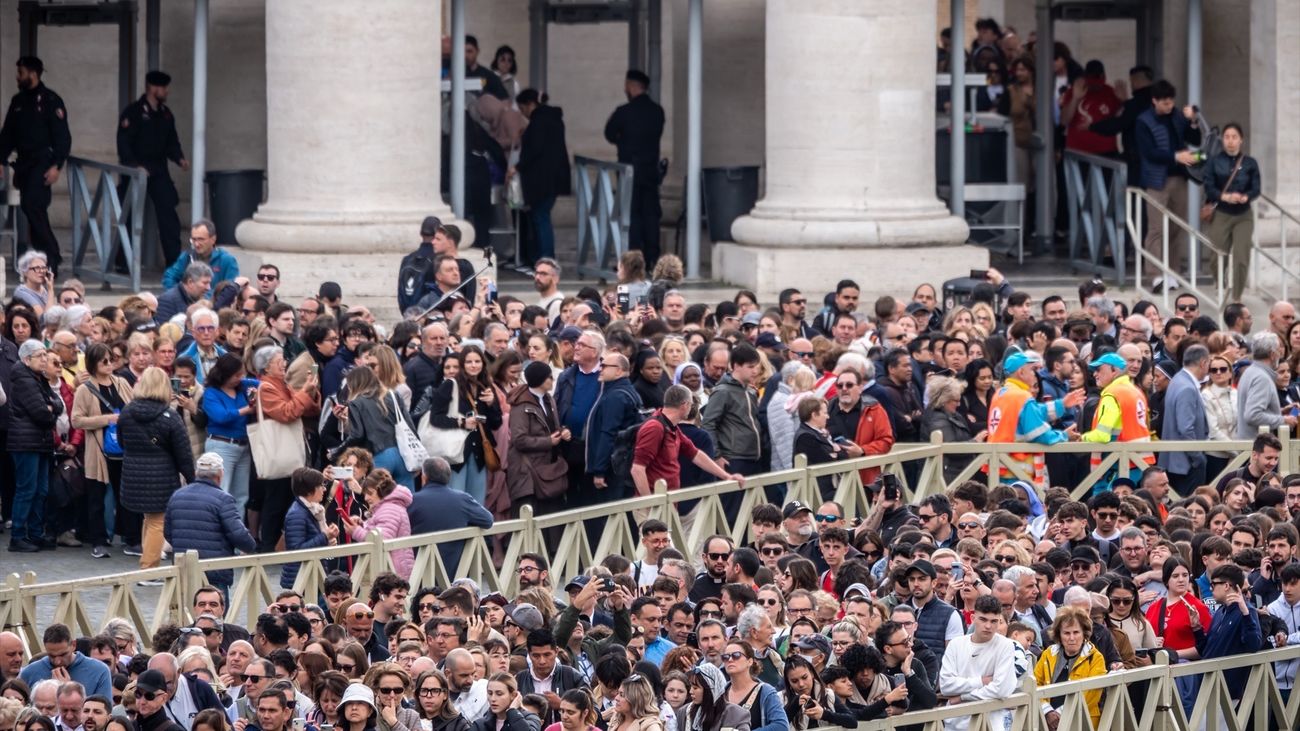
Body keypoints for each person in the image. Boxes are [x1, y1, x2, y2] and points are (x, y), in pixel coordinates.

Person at [0, 56, 71, 275]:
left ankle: (51, 256)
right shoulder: (18, 102)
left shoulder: (51, 101)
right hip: (24, 164)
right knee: (32, 210)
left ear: (33, 73)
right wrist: (0, 160)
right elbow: (7, 135)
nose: (17, 77)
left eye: (21, 72)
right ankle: (45, 258)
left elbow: (63, 138)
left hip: (43, 164)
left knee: (33, 206)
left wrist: (57, 166)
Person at [120, 367, 195, 574]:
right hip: (161, 476)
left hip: (133, 473)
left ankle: (146, 562)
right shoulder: (169, 416)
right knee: (157, 522)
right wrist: (192, 479)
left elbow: (121, 442)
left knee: (149, 519)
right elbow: (184, 454)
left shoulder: (127, 412)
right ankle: (149, 569)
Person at [250, 344, 319, 551]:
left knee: (286, 499)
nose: (284, 365)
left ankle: (283, 545)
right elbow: (287, 413)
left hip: (287, 454)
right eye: (279, 362)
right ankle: (269, 546)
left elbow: (309, 409)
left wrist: (311, 392)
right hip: (278, 455)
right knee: (275, 502)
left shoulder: (283, 384)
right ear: (266, 366)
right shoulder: (267, 387)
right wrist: (305, 392)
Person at [116, 70, 188, 265]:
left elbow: (172, 141)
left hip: (158, 170)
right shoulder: (134, 112)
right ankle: (124, 262)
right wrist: (134, 165)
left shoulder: (165, 115)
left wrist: (179, 158)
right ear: (153, 88)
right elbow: (123, 142)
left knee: (168, 214)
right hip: (135, 171)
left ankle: (174, 261)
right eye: (164, 88)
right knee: (128, 215)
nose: (167, 92)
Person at [1135, 80, 1201, 287]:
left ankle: (1172, 272)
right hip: (1156, 180)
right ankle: (1155, 275)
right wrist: (1175, 157)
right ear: (1154, 101)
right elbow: (1148, 153)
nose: (1169, 106)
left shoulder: (1177, 116)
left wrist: (1192, 121)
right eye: (1164, 102)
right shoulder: (1143, 121)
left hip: (1179, 178)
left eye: (1171, 101)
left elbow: (1195, 139)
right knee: (1156, 229)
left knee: (1176, 226)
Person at [164, 452, 257, 595]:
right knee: (214, 613)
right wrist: (251, 546)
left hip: (183, 570)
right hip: (214, 571)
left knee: (186, 613)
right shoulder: (223, 499)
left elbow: (168, 533)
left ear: (196, 473)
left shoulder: (177, 496)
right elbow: (238, 535)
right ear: (220, 475)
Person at [987, 351, 1082, 487]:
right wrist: (1064, 435)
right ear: (1021, 372)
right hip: (1017, 471)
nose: (1035, 374)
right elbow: (1040, 435)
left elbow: (1035, 412)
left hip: (999, 468)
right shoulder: (1021, 397)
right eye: (1032, 370)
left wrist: (1062, 404)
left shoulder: (1000, 393)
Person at [604, 70, 665, 268]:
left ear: (631, 85)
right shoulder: (657, 111)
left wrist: (624, 141)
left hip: (629, 171)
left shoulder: (624, 111)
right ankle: (653, 257)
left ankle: (634, 260)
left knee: (632, 216)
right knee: (651, 215)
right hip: (650, 171)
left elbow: (610, 133)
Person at [423, 347, 501, 501]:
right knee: (457, 498)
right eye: (469, 362)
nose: (474, 365)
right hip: (456, 452)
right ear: (462, 364)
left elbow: (496, 423)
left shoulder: (486, 387)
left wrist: (492, 403)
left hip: (479, 452)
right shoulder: (450, 385)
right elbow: (435, 418)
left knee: (477, 501)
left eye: (477, 361)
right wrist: (461, 422)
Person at [7, 339, 62, 552]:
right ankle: (18, 536)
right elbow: (41, 413)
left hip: (38, 441)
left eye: (45, 355)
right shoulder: (24, 379)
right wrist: (51, 410)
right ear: (27, 359)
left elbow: (57, 403)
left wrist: (52, 408)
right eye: (40, 356)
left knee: (41, 490)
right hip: (26, 442)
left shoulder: (38, 378)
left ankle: (36, 534)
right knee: (27, 489)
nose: (45, 359)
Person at [1202, 123, 1261, 302]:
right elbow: (1209, 187)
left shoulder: (1250, 163)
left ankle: (1236, 297)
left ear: (1241, 140)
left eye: (1234, 137)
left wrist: (1246, 197)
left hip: (1243, 214)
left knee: (1241, 256)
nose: (1230, 141)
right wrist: (1225, 197)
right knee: (1217, 255)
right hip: (1221, 212)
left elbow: (1256, 188)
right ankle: (1220, 285)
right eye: (1227, 137)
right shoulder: (1214, 161)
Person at [513, 89, 571, 265]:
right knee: (541, 216)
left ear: (530, 105)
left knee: (541, 217)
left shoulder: (538, 122)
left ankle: (546, 259)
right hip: (554, 179)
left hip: (541, 180)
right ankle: (544, 257)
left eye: (522, 109)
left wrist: (517, 167)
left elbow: (534, 151)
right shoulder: (553, 119)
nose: (523, 113)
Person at [506, 362, 570, 517]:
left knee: (550, 517)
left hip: (547, 470)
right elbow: (519, 440)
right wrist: (548, 442)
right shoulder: (521, 405)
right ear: (540, 379)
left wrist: (563, 432)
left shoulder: (549, 399)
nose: (552, 379)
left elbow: (552, 426)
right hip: (527, 472)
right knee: (530, 519)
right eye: (549, 377)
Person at [202, 353, 258, 519]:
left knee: (241, 496)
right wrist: (246, 410)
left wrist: (258, 392)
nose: (240, 378)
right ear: (224, 375)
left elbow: (265, 385)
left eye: (242, 374)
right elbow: (221, 416)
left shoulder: (243, 386)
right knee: (221, 492)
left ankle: (237, 539)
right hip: (221, 445)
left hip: (243, 445)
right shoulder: (211, 393)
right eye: (236, 375)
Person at [1033, 607, 1107, 729]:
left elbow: (1092, 694)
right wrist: (1047, 711)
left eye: (1076, 632)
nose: (1072, 638)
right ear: (1059, 635)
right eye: (1066, 633)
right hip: (1048, 723)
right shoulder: (1048, 654)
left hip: (1082, 723)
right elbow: (1036, 684)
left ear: (1084, 633)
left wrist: (1061, 713)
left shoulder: (1095, 657)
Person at [1158, 345, 1209, 494]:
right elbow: (1186, 428)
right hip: (1185, 465)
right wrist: (1198, 458)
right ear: (1203, 363)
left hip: (1176, 461)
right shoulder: (1187, 387)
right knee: (1188, 507)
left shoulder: (1177, 380)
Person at [281, 466, 339, 589]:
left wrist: (327, 541)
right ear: (310, 490)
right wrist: (325, 536)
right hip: (301, 580)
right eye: (320, 486)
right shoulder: (297, 514)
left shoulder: (313, 509)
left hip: (311, 575)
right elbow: (297, 550)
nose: (324, 489)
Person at [18, 624, 112, 698]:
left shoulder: (100, 671)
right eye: (51, 656)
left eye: (63, 654)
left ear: (73, 645)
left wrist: (67, 690)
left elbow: (103, 711)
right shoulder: (29, 673)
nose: (57, 661)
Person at [1236, 332, 1295, 438]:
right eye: (1278, 350)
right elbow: (1252, 415)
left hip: (1251, 448)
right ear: (1272, 355)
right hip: (1257, 449)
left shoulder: (1250, 372)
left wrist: (1280, 412)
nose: (1280, 354)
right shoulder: (1261, 378)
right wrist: (1283, 419)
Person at [163, 220, 238, 290]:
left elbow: (231, 289)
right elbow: (169, 277)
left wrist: (207, 298)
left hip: (215, 303)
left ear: (213, 239)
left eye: (201, 239)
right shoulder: (187, 256)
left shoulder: (227, 260)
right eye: (194, 239)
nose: (196, 244)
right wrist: (179, 296)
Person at [678, 664, 750, 731]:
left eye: (695, 688)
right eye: (691, 687)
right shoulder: (684, 712)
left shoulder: (737, 714)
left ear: (710, 689)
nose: (691, 691)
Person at [473, 673, 537, 731]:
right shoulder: (480, 725)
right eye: (490, 693)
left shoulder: (530, 718)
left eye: (499, 694)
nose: (493, 699)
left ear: (513, 695)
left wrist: (512, 711)